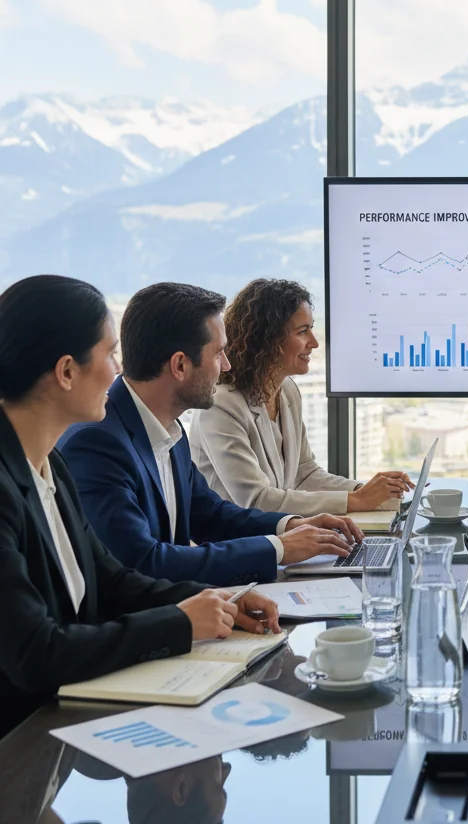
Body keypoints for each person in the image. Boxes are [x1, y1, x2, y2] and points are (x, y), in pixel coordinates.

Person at [0, 275, 280, 740]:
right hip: (21, 746)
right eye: (110, 355)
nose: (117, 372)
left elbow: (109, 579)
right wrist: (178, 622)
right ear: (67, 371)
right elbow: (38, 652)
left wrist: (216, 601)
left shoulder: (49, 464)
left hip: (66, 723)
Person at [59, 282, 363, 588]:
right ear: (180, 365)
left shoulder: (167, 428)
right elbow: (143, 563)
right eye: (218, 354)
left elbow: (210, 515)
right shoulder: (97, 443)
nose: (228, 365)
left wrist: (291, 525)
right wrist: (279, 549)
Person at [190, 278, 412, 515]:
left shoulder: (287, 390)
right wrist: (355, 500)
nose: (314, 343)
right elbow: (255, 500)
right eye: (303, 332)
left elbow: (305, 474)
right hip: (236, 543)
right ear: (268, 339)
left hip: (282, 534)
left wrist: (365, 491)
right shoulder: (221, 404)